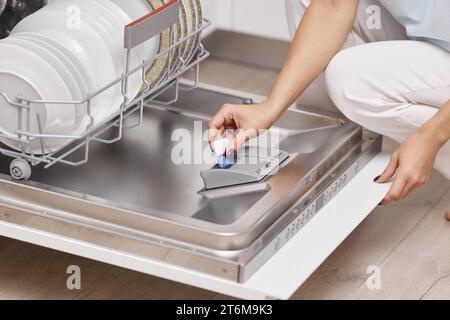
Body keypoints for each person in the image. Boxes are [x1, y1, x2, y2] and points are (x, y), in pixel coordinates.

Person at [208, 0, 450, 209]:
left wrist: (431, 136)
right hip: (431, 35)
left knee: (349, 80)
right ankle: (329, 155)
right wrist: (269, 109)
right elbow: (332, 5)